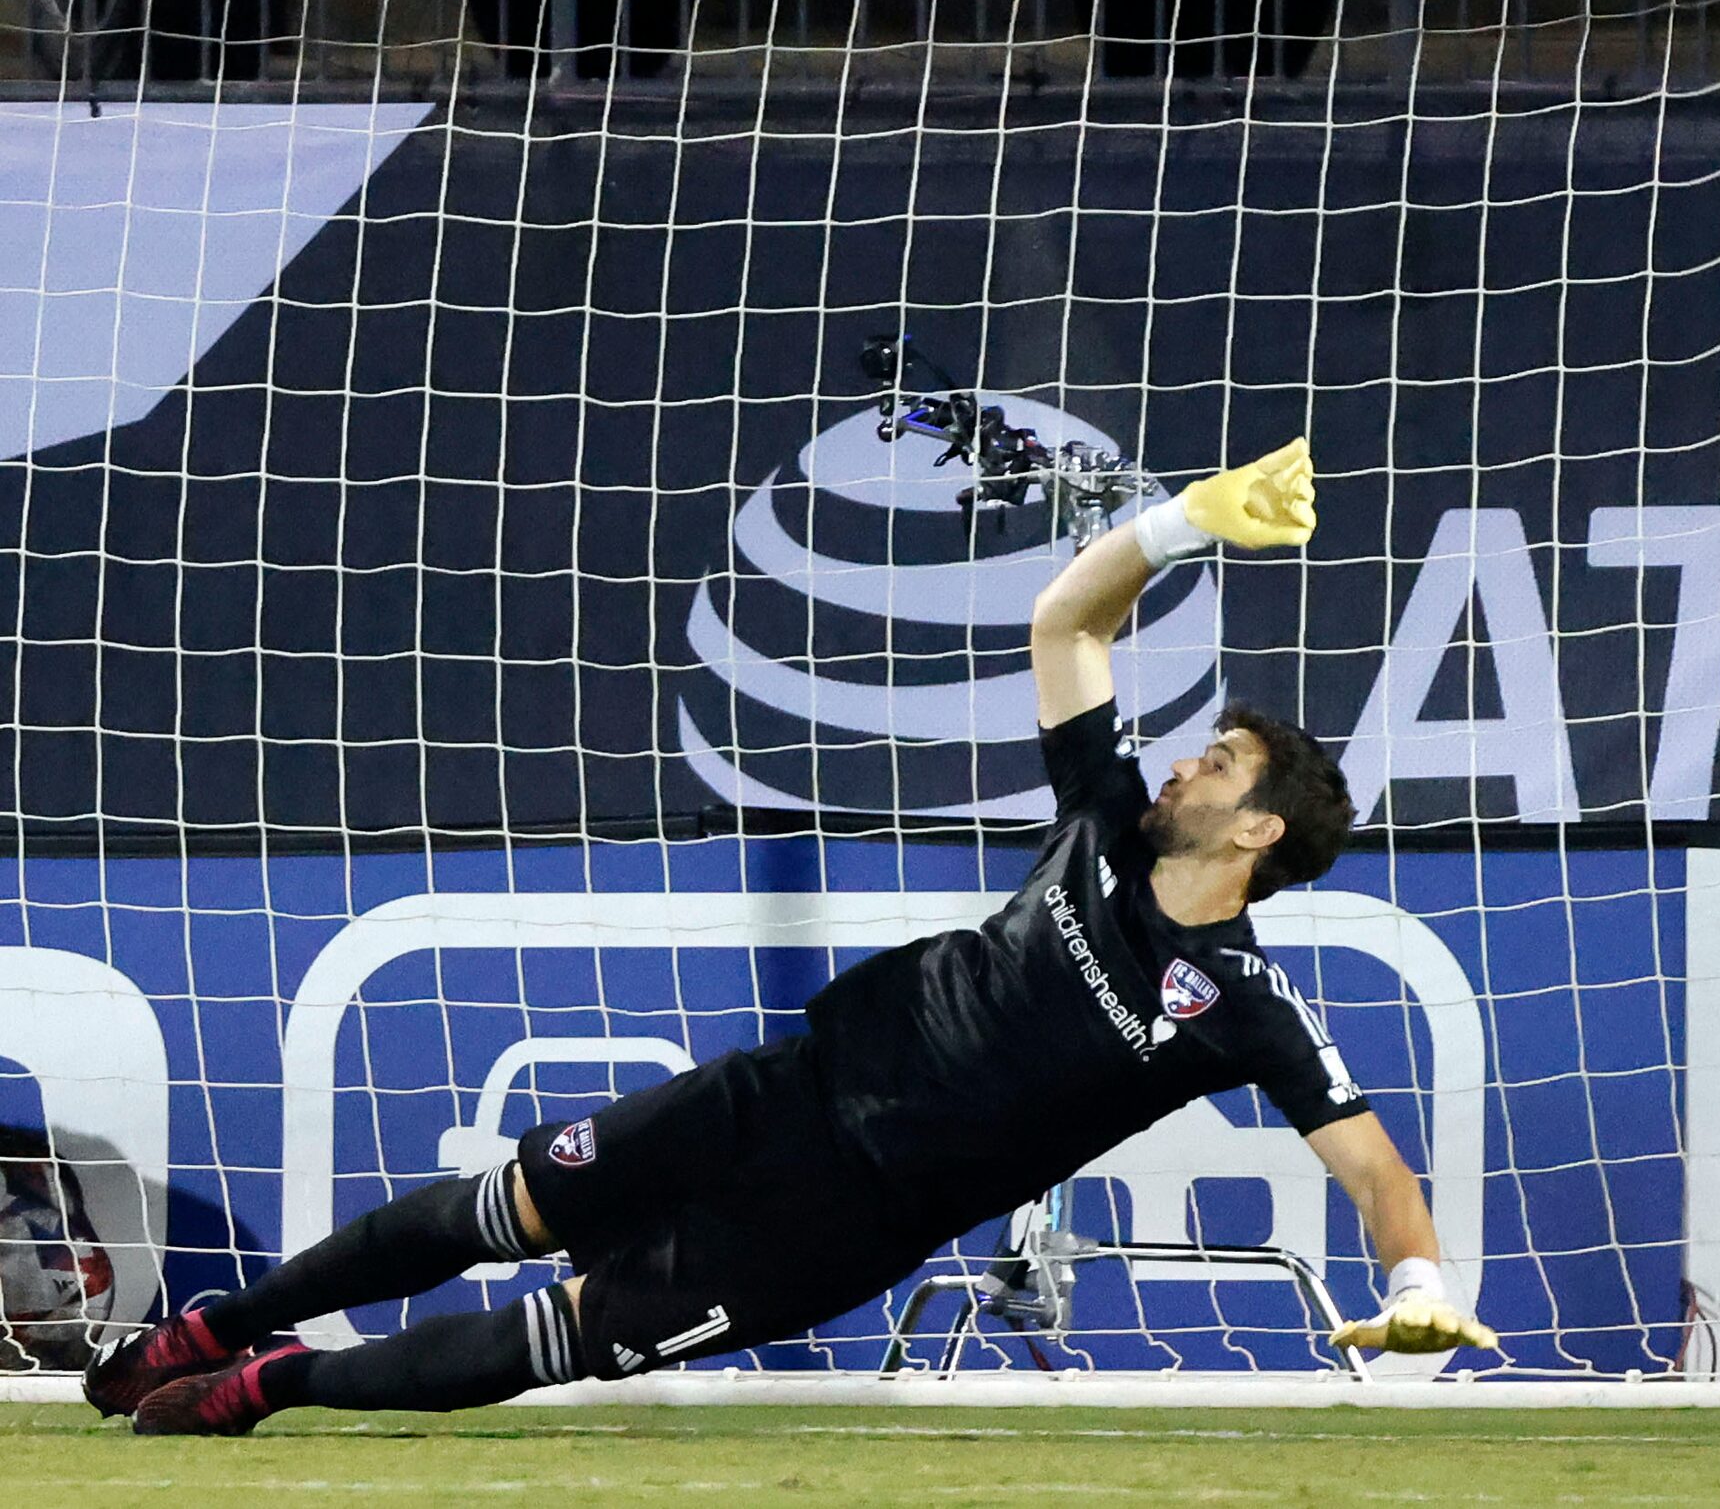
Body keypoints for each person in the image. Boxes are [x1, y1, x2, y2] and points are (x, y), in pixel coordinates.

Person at [90, 438, 1495, 1435]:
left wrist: (1420, 1284)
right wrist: (1185, 518)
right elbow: (1068, 619)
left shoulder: (1243, 1002)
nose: (1187, 762)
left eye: (1222, 763)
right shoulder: (1104, 817)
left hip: (847, 1223)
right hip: (783, 1094)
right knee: (495, 1207)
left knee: (558, 1336)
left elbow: (1372, 1167)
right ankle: (219, 1321)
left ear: (1258, 833)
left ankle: (262, 1389)